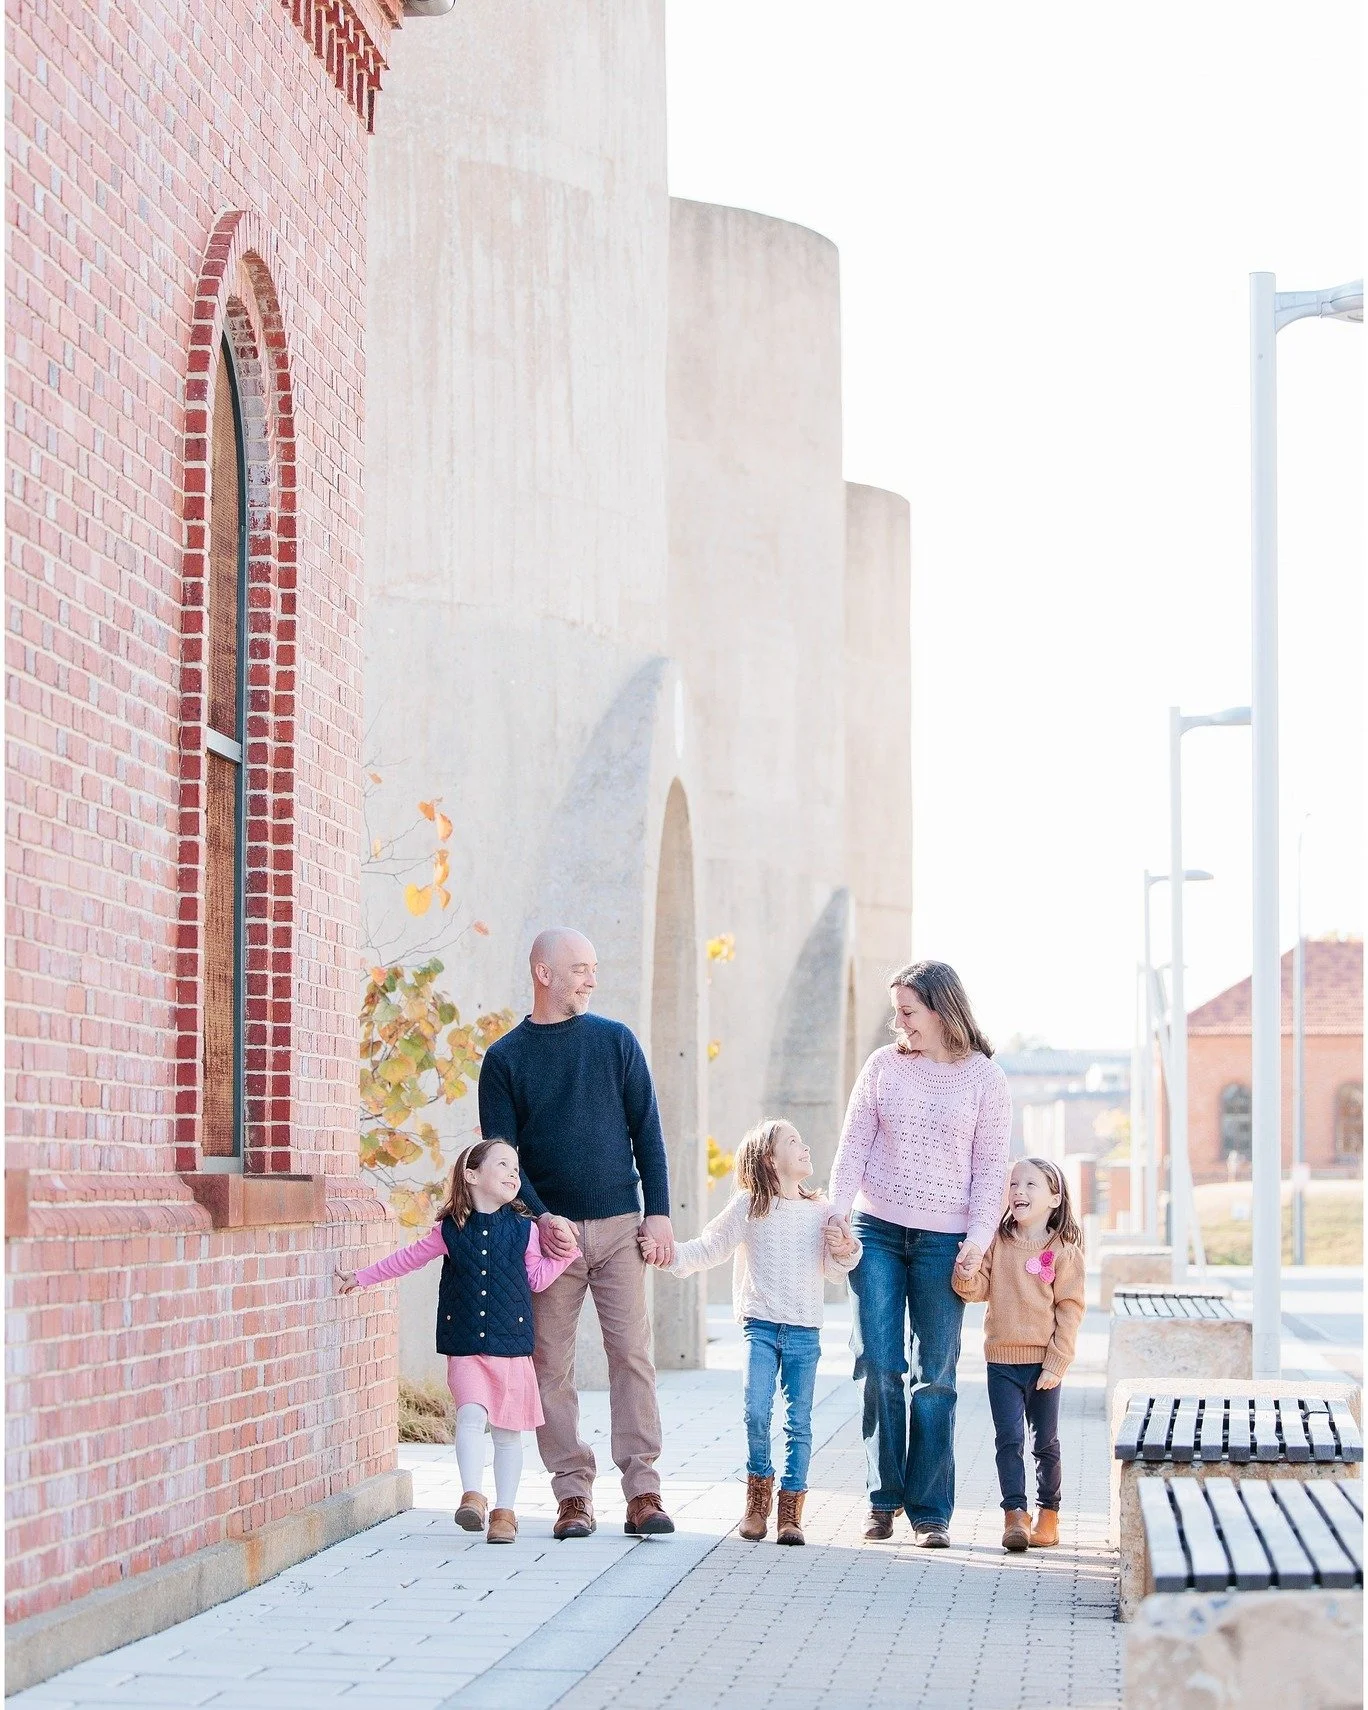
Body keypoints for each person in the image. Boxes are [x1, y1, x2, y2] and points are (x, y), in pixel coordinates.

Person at [477, 927, 677, 1540]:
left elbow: (648, 1130)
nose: (592, 979)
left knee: (632, 1357)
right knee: (548, 1366)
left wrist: (660, 1211)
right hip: (548, 1241)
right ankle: (572, 1494)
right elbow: (501, 1160)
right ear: (544, 973)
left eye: (593, 967)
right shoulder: (505, 1060)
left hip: (620, 1227)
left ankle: (643, 1490)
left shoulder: (616, 1042)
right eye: (581, 968)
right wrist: (541, 1217)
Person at [829, 959, 1011, 1547]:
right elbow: (852, 1144)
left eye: (908, 1009)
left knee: (935, 1378)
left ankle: (931, 1511)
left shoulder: (985, 1078)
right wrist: (836, 1214)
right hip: (876, 1228)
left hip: (946, 1241)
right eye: (897, 1010)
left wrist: (979, 1242)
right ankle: (882, 1500)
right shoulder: (881, 1068)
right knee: (879, 1366)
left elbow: (990, 1170)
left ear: (941, 1010)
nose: (899, 1020)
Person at [336, 1138, 577, 1544]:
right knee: (469, 1416)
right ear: (472, 1175)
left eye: (516, 1169)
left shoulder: (524, 1231)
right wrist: (360, 1278)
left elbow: (536, 1279)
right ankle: (472, 1496)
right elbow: (407, 1258)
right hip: (465, 1344)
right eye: (503, 1165)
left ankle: (505, 1512)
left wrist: (567, 1255)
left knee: (506, 1433)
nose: (513, 1174)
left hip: (511, 1348)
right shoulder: (449, 1231)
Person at [641, 1119, 861, 1546]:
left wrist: (845, 1248)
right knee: (756, 1412)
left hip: (804, 1332)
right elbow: (708, 1247)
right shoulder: (749, 1206)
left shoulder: (822, 1210)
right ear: (769, 1159)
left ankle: (791, 1511)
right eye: (792, 1142)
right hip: (759, 1326)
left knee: (799, 1422)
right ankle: (757, 1500)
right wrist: (666, 1255)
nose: (804, 1146)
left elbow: (837, 1272)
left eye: (802, 1139)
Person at [952, 1156, 1085, 1551]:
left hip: (1044, 1364)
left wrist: (1058, 1361)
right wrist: (965, 1270)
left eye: (1030, 1185)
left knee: (1045, 1441)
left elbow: (1070, 1309)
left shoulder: (1064, 1251)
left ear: (1055, 1198)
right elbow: (976, 1291)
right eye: (1013, 1185)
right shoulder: (997, 1240)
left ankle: (1049, 1513)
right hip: (1002, 1362)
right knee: (1008, 1438)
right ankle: (1015, 1515)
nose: (1018, 1192)